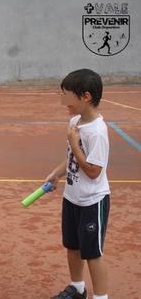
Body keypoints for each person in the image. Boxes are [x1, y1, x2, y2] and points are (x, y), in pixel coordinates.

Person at [46, 69, 110, 299]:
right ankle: (77, 288)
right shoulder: (75, 121)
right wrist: (56, 173)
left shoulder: (98, 132)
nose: (62, 101)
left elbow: (93, 171)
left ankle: (101, 297)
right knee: (72, 246)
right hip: (72, 196)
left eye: (66, 95)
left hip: (92, 200)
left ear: (85, 96)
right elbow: (72, 159)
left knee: (92, 252)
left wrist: (75, 144)